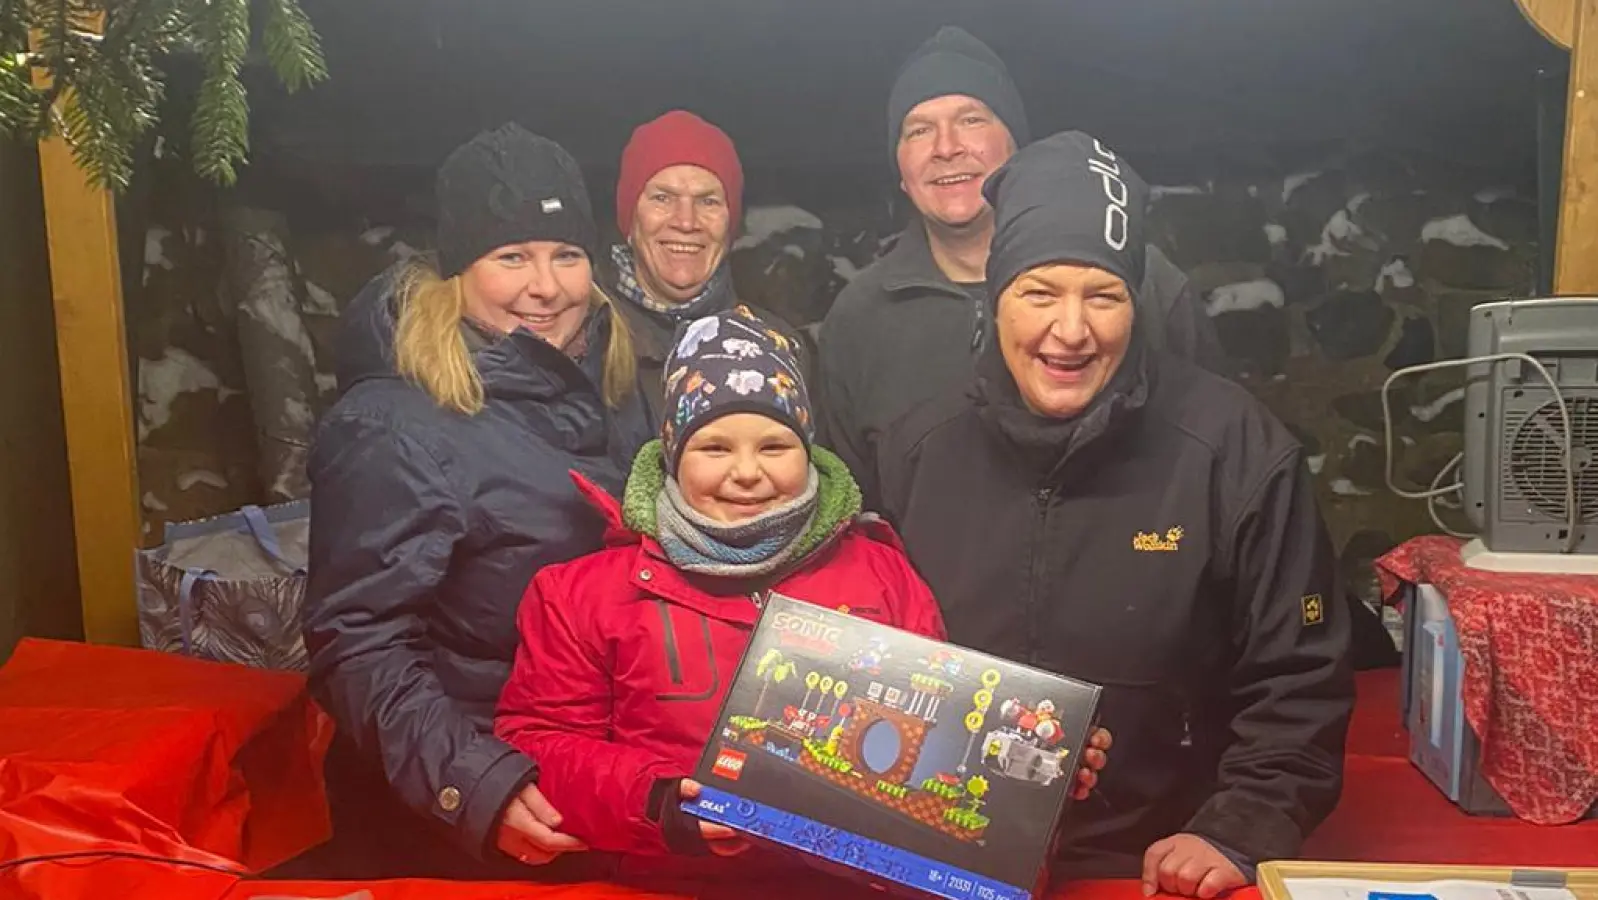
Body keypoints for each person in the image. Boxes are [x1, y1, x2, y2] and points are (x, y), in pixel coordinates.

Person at [876, 132, 1353, 898]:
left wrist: (1241, 824)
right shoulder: (916, 449)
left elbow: (1299, 675)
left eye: (1103, 295)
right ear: (996, 300)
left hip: (1153, 862)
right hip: (943, 857)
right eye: (1039, 293)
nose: (1071, 330)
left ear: (1137, 304)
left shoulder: (1232, 448)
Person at [493, 307, 1112, 876]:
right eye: (713, 447)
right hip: (672, 881)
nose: (746, 471)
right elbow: (537, 743)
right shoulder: (581, 594)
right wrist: (667, 801)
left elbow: (941, 738)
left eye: (774, 445)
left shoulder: (880, 572)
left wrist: (1036, 779)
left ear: (809, 452)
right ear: (673, 455)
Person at [303, 124, 639, 879]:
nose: (545, 285)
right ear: (457, 272)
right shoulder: (394, 423)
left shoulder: (611, 391)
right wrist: (475, 786)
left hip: (593, 782)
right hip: (471, 815)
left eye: (567, 255)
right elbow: (358, 639)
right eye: (512, 256)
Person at [818, 26, 1225, 503]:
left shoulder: (1140, 283)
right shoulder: (859, 318)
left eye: (971, 119)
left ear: (1018, 150)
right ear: (901, 172)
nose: (946, 147)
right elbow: (848, 507)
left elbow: (1218, 456)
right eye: (919, 130)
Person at [602, 110, 812, 452]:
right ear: (630, 217)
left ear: (730, 225)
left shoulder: (782, 348)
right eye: (662, 198)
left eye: (708, 201)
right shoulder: (584, 340)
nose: (686, 222)